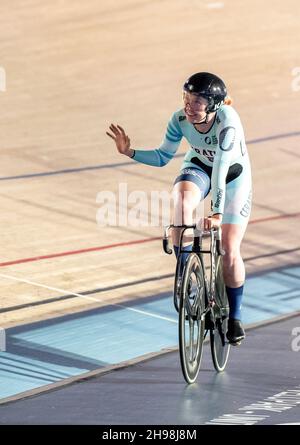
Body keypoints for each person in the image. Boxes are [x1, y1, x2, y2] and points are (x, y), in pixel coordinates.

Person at [106, 72, 252, 345]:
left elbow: (220, 168)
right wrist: (130, 152)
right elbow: (163, 157)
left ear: (214, 105)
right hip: (198, 167)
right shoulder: (180, 120)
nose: (189, 105)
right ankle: (187, 277)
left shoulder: (228, 121)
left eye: (197, 100)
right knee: (181, 204)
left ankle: (235, 317)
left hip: (233, 177)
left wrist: (217, 213)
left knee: (230, 249)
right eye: (187, 98)